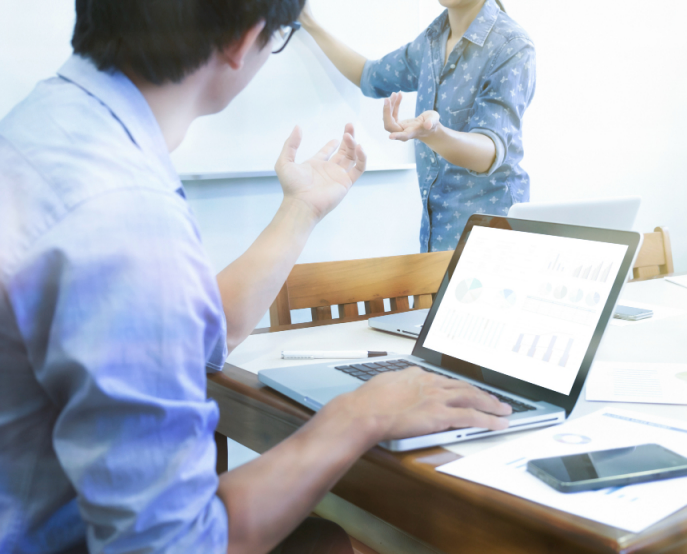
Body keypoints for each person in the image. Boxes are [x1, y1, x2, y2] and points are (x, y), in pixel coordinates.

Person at [0, 0, 513, 552]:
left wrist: (302, 209)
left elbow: (183, 327)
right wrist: (360, 415)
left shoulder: (53, 122)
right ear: (243, 42)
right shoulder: (124, 214)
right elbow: (176, 545)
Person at [301, 0, 536, 252]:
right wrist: (309, 23)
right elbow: (369, 76)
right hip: (436, 241)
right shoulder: (432, 40)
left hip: (493, 241)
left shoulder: (511, 45)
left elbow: (489, 151)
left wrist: (434, 134)